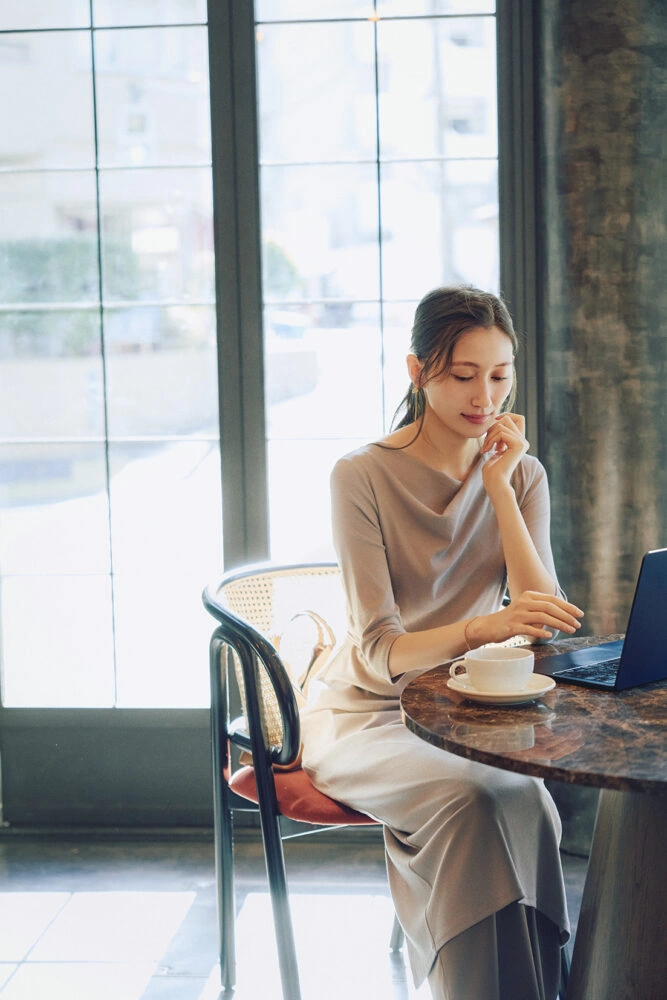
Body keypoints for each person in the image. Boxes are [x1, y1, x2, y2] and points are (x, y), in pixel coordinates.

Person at [300, 286, 584, 1000]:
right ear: (417, 370)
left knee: (528, 801)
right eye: (462, 375)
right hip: (367, 713)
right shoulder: (360, 474)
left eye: (499, 374)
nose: (483, 395)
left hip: (464, 709)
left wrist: (498, 486)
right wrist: (479, 628)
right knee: (476, 800)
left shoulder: (519, 473)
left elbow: (537, 611)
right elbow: (376, 654)